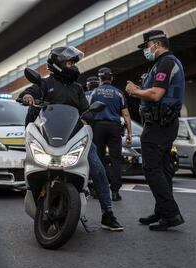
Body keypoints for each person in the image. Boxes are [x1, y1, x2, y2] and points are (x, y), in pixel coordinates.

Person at [17, 46, 123, 231]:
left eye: (74, 63)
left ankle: (108, 213)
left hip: (73, 137)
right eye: (69, 62)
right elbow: (31, 91)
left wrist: (88, 114)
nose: (73, 66)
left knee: (97, 167)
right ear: (57, 63)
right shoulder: (45, 83)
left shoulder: (77, 88)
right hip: (48, 137)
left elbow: (85, 110)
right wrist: (27, 96)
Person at [125, 30, 185, 231]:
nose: (146, 51)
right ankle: (162, 211)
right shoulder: (158, 65)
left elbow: (157, 94)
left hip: (161, 124)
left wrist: (134, 91)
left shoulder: (167, 62)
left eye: (147, 46)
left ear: (156, 44)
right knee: (164, 169)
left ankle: (170, 214)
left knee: (152, 169)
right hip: (160, 123)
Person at [89, 67, 132, 201]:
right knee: (115, 160)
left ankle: (97, 190)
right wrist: (130, 133)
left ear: (100, 79)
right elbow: (126, 115)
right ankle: (115, 192)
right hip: (114, 128)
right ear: (111, 78)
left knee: (98, 159)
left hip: (98, 127)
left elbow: (88, 112)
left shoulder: (94, 92)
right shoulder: (118, 93)